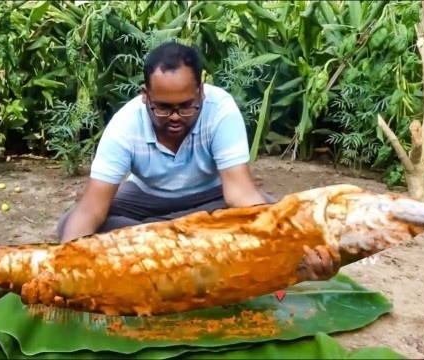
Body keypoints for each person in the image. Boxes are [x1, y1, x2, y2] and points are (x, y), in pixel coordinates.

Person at [56, 41, 339, 281]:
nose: (176, 116)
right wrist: (61, 264)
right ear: (146, 96)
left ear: (201, 92)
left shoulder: (221, 111)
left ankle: (157, 243)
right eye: (164, 108)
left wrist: (295, 244)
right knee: (71, 224)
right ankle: (194, 242)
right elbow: (92, 209)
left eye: (186, 105)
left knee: (267, 214)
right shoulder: (124, 126)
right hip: (146, 197)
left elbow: (240, 192)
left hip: (211, 197)